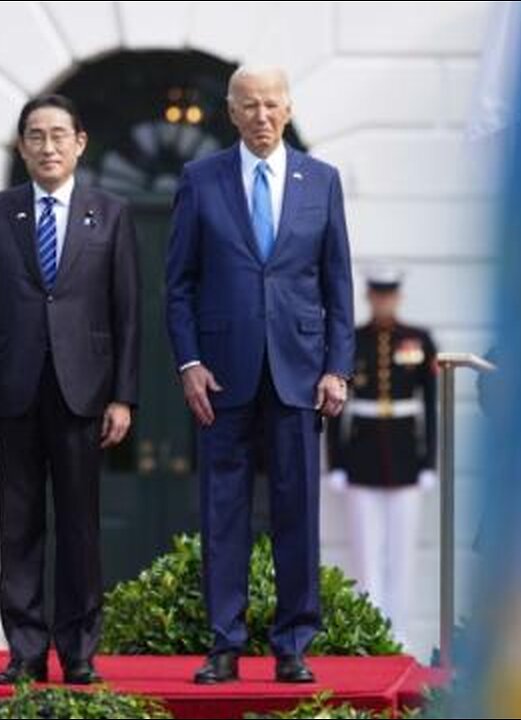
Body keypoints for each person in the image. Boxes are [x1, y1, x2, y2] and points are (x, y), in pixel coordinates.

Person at [165, 66, 354, 684]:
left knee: (297, 510)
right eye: (249, 105)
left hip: (300, 374)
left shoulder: (321, 181)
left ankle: (294, 643)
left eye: (271, 104)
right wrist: (189, 363)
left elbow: (337, 284)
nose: (262, 116)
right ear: (231, 111)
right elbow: (179, 286)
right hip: (222, 377)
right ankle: (225, 643)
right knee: (224, 512)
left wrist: (337, 368)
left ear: (289, 108)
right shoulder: (201, 179)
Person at [0, 94, 140, 685]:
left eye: (59, 134)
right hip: (11, 391)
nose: (48, 146)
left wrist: (123, 396)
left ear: (80, 142)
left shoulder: (110, 214)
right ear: (21, 146)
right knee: (19, 524)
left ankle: (80, 651)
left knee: (80, 526)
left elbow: (128, 313)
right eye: (36, 135)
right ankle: (26, 650)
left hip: (83, 392)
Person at [325, 268, 437, 641]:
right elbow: (336, 406)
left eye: (389, 295)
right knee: (365, 553)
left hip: (406, 458)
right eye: (378, 294)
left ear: (397, 297)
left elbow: (431, 407)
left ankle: (399, 632)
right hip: (362, 457)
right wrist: (336, 462)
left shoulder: (418, 340)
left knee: (402, 553)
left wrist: (429, 462)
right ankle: (370, 634)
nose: (383, 301)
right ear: (370, 297)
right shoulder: (352, 341)